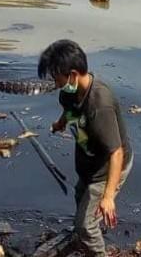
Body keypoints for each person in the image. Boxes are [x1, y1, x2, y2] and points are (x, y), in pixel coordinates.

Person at [38, 40, 133, 257]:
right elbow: (71, 110)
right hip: (90, 164)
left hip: (108, 168)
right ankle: (85, 239)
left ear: (72, 74)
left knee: (85, 225)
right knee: (81, 197)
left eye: (56, 77)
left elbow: (116, 153)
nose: (55, 82)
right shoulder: (69, 93)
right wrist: (61, 122)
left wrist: (108, 196)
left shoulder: (100, 104)